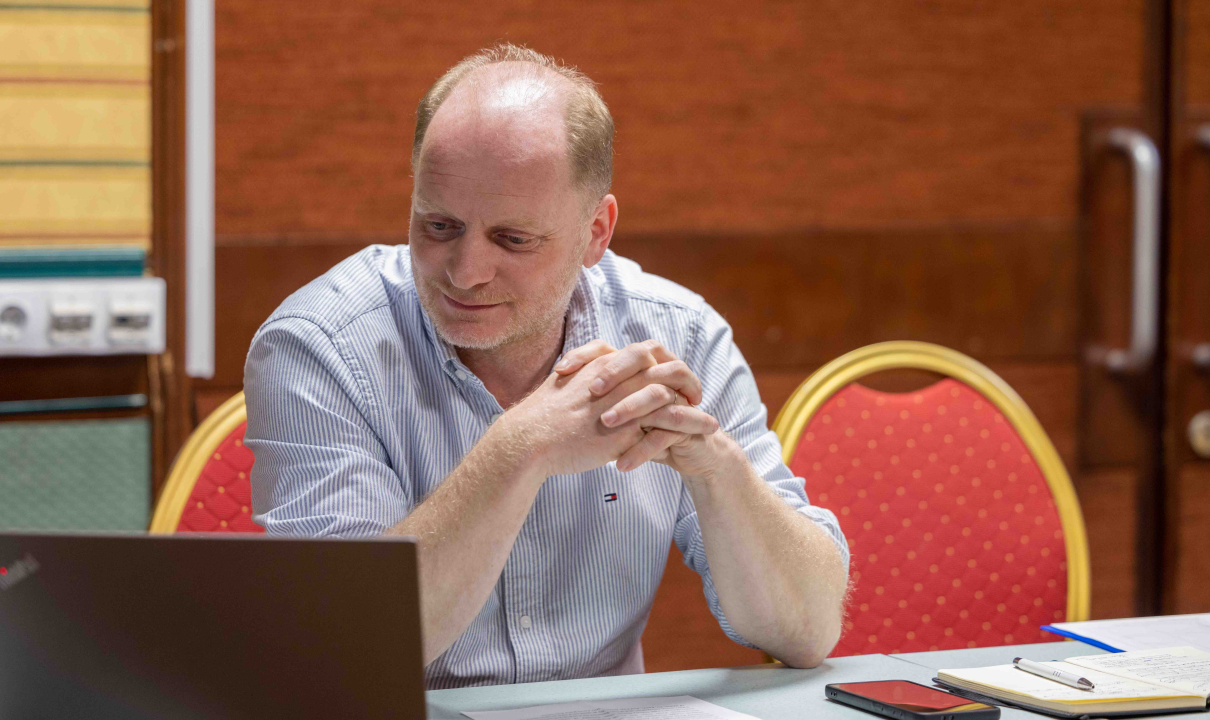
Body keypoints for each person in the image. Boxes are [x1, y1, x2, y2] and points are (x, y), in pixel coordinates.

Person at [245, 43, 849, 689]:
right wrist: (521, 448)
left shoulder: (680, 333)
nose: (466, 273)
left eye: (513, 239)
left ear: (596, 232)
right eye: (439, 226)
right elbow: (345, 650)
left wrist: (718, 470)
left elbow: (806, 632)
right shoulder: (319, 346)